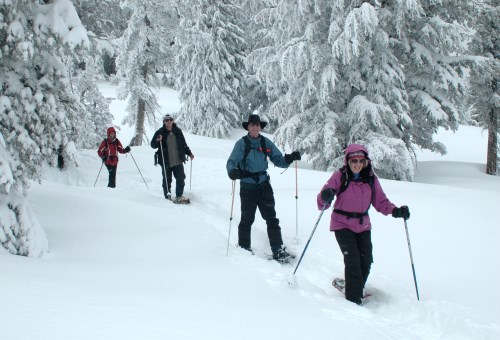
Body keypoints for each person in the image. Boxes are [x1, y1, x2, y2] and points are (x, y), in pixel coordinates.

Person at [317, 143, 410, 305]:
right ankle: (353, 301)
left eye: (361, 160)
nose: (357, 164)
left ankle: (355, 286)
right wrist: (326, 195)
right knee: (353, 260)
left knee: (366, 260)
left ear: (365, 161)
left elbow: (381, 201)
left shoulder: (371, 178)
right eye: (354, 160)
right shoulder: (340, 176)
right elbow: (321, 201)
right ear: (348, 161)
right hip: (342, 224)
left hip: (363, 225)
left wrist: (396, 211)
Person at [226, 114, 301, 263]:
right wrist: (232, 171)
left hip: (264, 185)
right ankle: (244, 247)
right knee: (247, 218)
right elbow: (231, 161)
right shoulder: (241, 144)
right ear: (248, 127)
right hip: (247, 186)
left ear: (260, 127)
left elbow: (278, 159)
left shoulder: (265, 142)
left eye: (257, 124)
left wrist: (290, 158)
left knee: (271, 218)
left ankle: (277, 249)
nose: (255, 127)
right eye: (252, 124)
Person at [151, 114, 194, 203]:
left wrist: (189, 153)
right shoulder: (160, 132)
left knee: (181, 178)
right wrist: (157, 140)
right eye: (167, 120)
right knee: (167, 180)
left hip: (178, 160)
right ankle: (167, 196)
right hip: (166, 161)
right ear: (164, 122)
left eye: (170, 120)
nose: (169, 122)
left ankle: (179, 195)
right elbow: (153, 145)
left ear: (172, 121)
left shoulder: (178, 131)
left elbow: (183, 144)